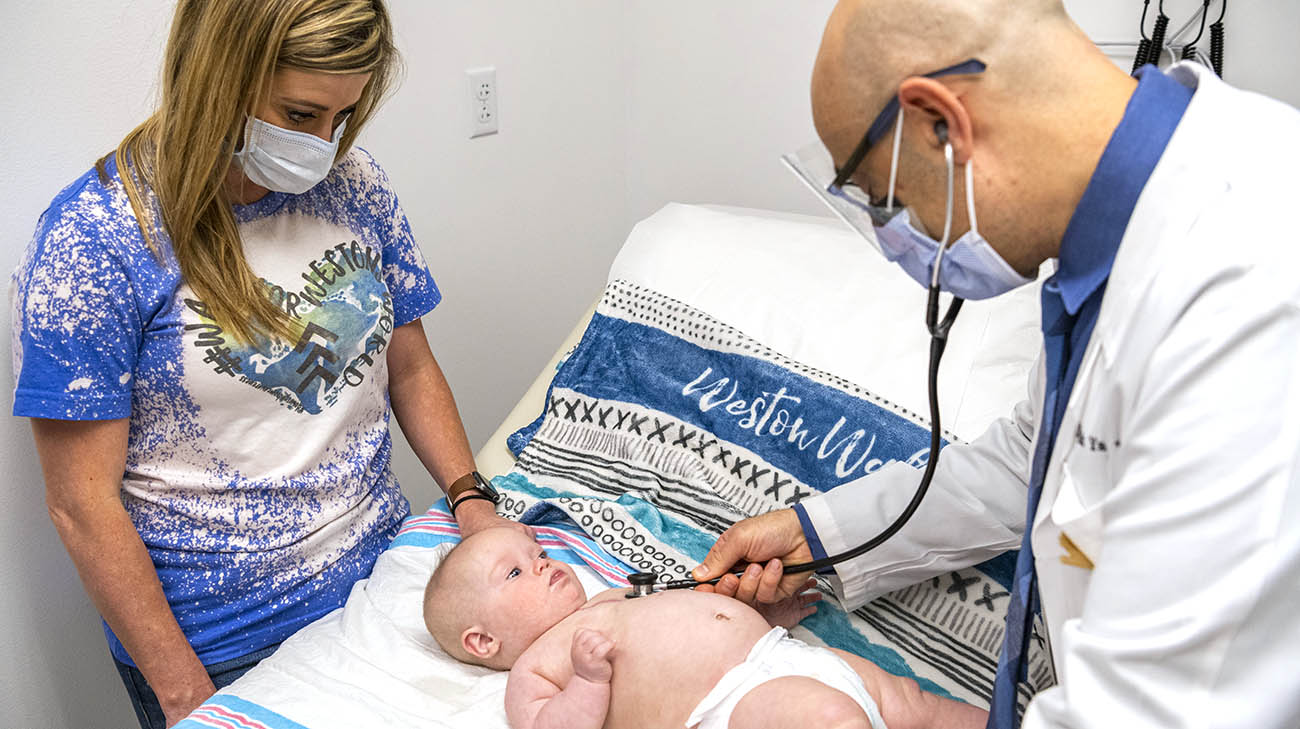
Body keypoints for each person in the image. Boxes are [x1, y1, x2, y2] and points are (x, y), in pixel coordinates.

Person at [692, 0, 1300, 727]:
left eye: (891, 201)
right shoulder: (1113, 242)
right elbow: (1039, 460)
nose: (904, 240)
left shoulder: (1253, 282)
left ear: (942, 123)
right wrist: (815, 533)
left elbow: (1159, 709)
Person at [9, 1, 523, 727]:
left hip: (387, 581)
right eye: (302, 113)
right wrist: (189, 694)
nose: (323, 146)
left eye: (341, 119)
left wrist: (471, 498)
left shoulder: (356, 185)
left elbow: (407, 365)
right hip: (226, 642)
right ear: (221, 75)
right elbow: (80, 505)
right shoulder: (96, 241)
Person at [422, 527, 987, 729]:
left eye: (538, 550)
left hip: (779, 653)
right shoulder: (535, 666)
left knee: (914, 703)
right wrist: (589, 683)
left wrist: (763, 614)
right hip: (729, 703)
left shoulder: (614, 595)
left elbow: (697, 612)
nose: (544, 561)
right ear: (482, 641)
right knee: (831, 719)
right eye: (517, 570)